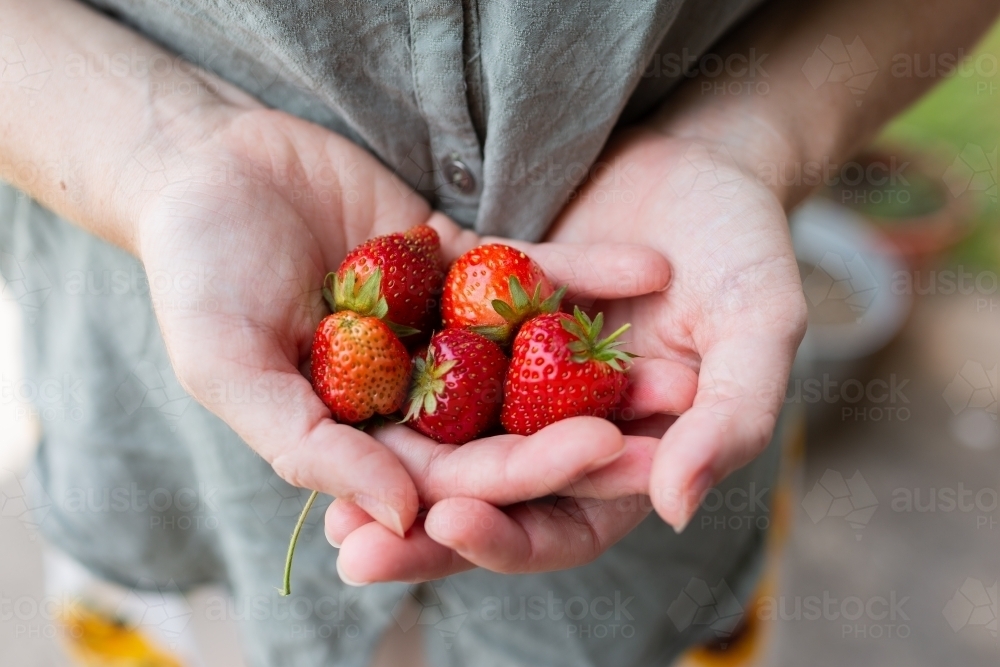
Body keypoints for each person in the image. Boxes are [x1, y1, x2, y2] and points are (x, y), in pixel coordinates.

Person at [1, 0, 996, 665]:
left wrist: (750, 133)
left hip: (635, 575)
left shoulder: (461, 329)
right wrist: (157, 156)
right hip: (167, 450)